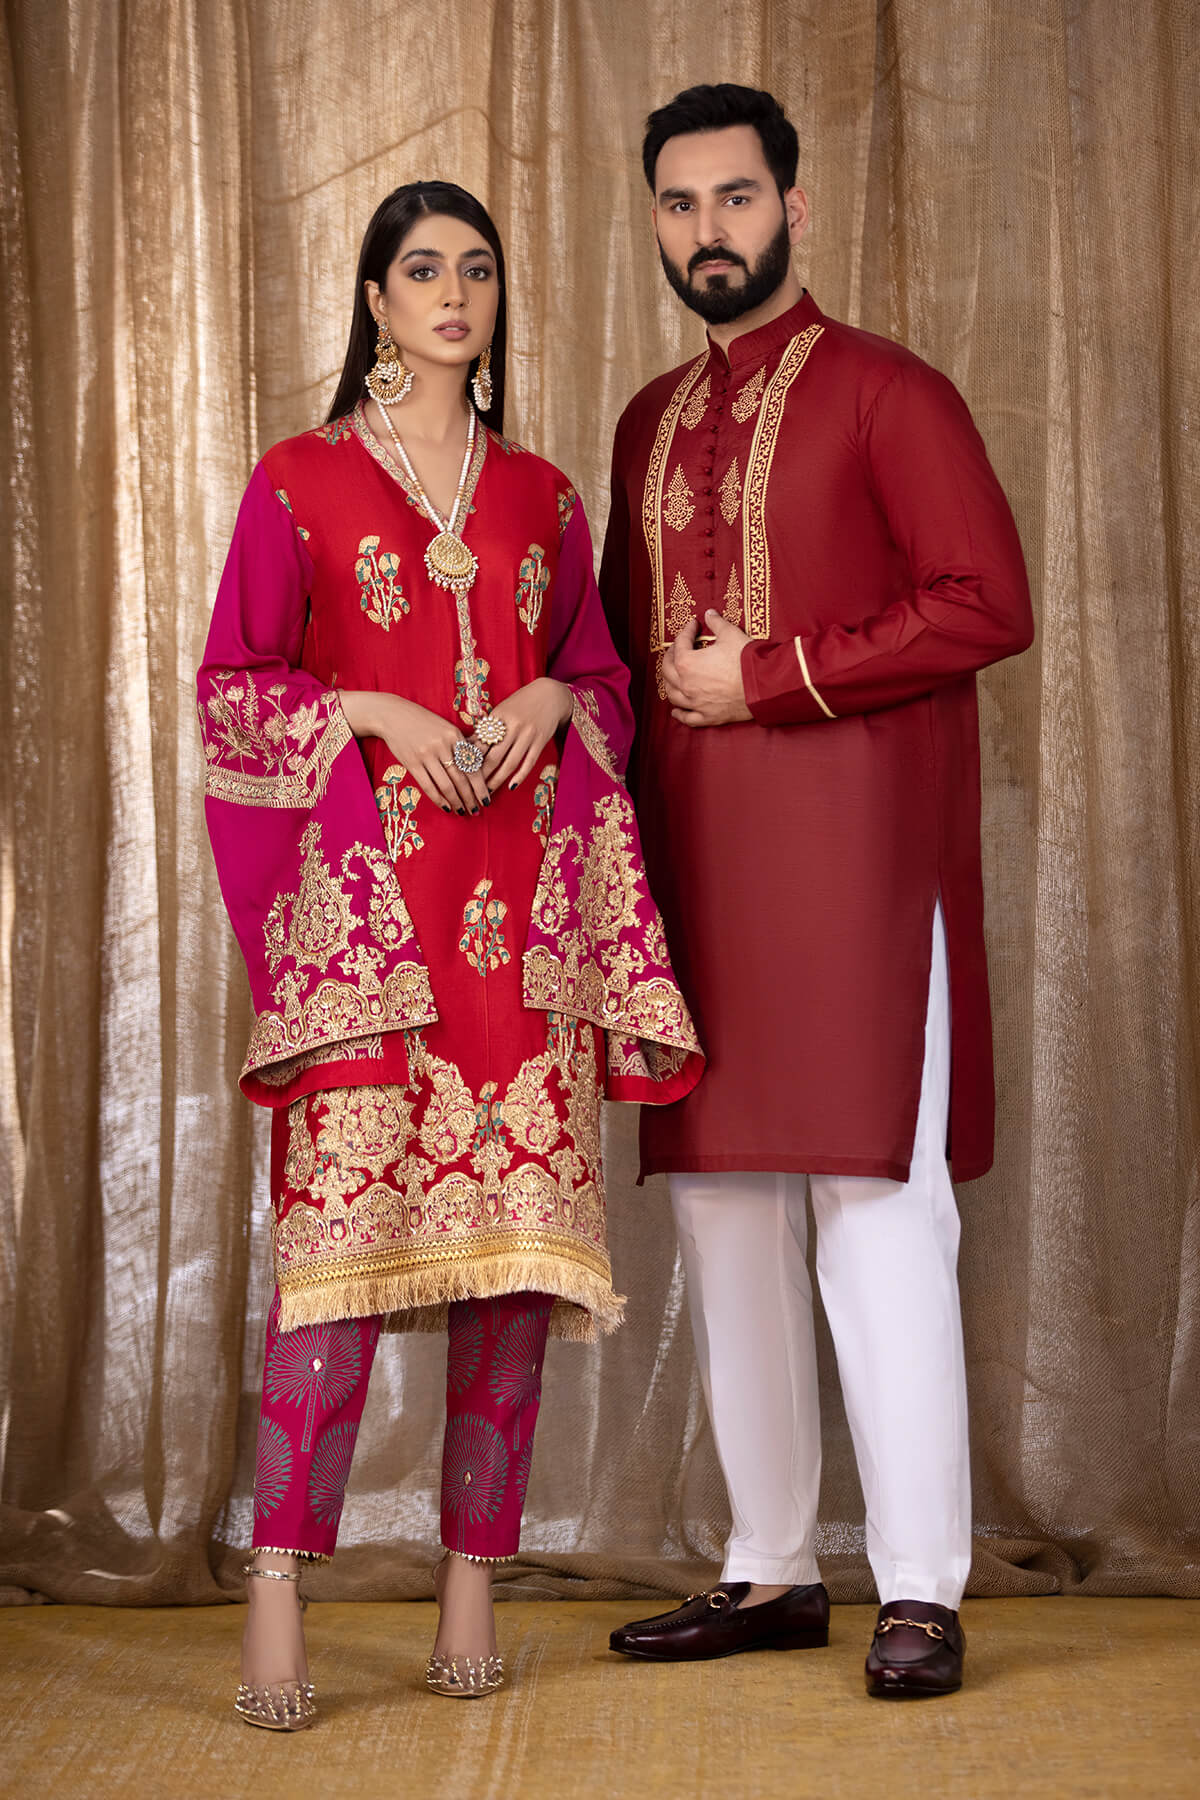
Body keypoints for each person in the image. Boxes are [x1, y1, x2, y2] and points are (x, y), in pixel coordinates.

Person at [198, 180, 701, 1729]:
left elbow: (606, 688)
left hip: (517, 934)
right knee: (335, 1273)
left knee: (509, 1277)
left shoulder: (545, 496)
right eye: (423, 269)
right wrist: (366, 709)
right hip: (370, 934)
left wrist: (554, 697)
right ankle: (276, 1582)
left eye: (477, 269)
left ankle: (472, 1580)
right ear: (375, 298)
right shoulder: (298, 484)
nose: (454, 293)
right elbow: (233, 690)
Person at [600, 85, 1033, 1698]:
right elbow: (620, 659)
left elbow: (987, 600)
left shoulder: (886, 394)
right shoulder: (648, 423)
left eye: (735, 196)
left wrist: (773, 672)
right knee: (721, 1217)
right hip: (695, 876)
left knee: (876, 1210)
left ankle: (920, 1588)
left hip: (858, 877)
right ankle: (771, 1566)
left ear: (794, 204)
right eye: (679, 203)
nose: (707, 228)